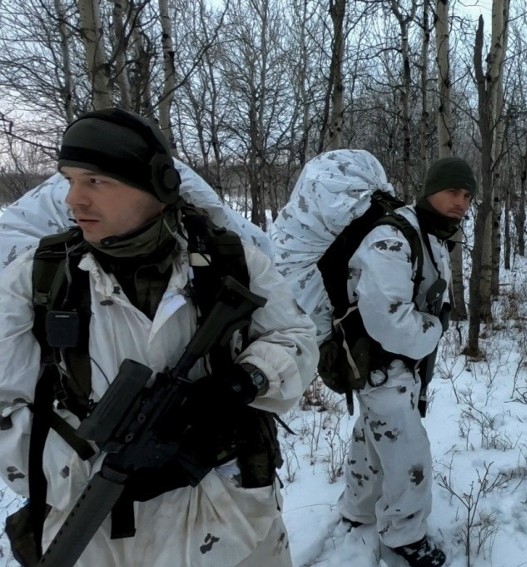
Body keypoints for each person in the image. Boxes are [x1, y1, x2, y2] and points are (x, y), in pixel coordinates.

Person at [0, 108, 318, 566]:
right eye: (69, 179)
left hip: (228, 515)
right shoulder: (37, 277)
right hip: (99, 529)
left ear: (157, 185)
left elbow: (294, 337)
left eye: (96, 181)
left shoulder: (229, 260)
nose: (74, 199)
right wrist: (84, 469)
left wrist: (242, 382)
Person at [336, 157, 476, 567]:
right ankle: (404, 535)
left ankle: (358, 508)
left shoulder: (430, 232)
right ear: (431, 189)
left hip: (394, 366)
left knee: (371, 437)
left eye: (468, 196)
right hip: (382, 363)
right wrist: (434, 330)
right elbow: (388, 319)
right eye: (453, 191)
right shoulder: (393, 237)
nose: (461, 202)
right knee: (408, 453)